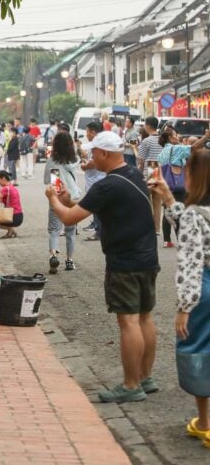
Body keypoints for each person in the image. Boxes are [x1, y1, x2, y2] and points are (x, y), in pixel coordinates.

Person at [46, 132, 159, 403]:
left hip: (124, 261)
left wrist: (52, 199)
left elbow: (71, 218)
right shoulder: (132, 174)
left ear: (105, 154)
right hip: (147, 258)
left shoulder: (107, 186)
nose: (89, 157)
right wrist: (65, 199)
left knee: (128, 321)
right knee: (145, 317)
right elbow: (83, 206)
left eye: (93, 152)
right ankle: (145, 377)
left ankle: (131, 385)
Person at [151, 151, 210, 445]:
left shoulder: (192, 214)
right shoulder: (192, 213)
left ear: (197, 178)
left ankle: (205, 422)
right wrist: (168, 200)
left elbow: (190, 262)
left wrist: (184, 307)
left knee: (198, 349)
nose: (182, 178)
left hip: (204, 287)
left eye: (186, 173)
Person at [44, 132, 82, 273]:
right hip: (72, 198)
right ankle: (69, 261)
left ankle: (53, 255)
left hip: (57, 197)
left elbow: (49, 180)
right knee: (70, 231)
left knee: (54, 230)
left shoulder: (52, 161)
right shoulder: (74, 160)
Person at [158, 129, 191, 249]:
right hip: (178, 184)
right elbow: (193, 150)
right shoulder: (176, 149)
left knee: (167, 211)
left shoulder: (162, 152)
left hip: (166, 184)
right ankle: (181, 239)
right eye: (176, 135)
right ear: (171, 138)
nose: (178, 136)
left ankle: (167, 240)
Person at [138, 116, 163, 236]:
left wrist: (139, 172)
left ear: (148, 126)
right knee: (157, 201)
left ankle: (146, 227)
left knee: (145, 200)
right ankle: (157, 229)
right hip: (160, 170)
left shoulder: (146, 141)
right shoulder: (163, 140)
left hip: (150, 170)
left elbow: (141, 159)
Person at [81, 121, 106, 241]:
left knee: (97, 208)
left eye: (87, 132)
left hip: (98, 180)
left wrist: (85, 166)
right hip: (94, 179)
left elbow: (93, 162)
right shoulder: (95, 144)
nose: (86, 134)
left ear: (93, 132)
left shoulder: (98, 145)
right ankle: (99, 230)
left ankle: (99, 231)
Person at [0, 171, 24, 238]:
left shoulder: (5, 189)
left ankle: (11, 230)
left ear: (3, 178)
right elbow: (0, 200)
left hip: (13, 217)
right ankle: (10, 230)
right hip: (19, 216)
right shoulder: (12, 187)